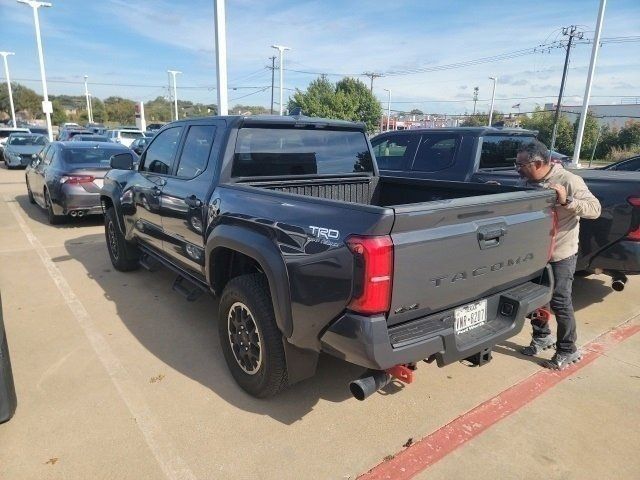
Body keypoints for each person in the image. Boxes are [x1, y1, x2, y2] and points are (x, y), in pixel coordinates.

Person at [515, 140, 601, 369]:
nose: (518, 168)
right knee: (533, 298)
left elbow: (595, 209)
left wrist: (568, 201)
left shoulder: (569, 181)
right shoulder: (527, 180)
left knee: (560, 302)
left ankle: (567, 349)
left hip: (561, 253)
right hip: (534, 253)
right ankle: (542, 336)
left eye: (522, 164)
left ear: (538, 163)